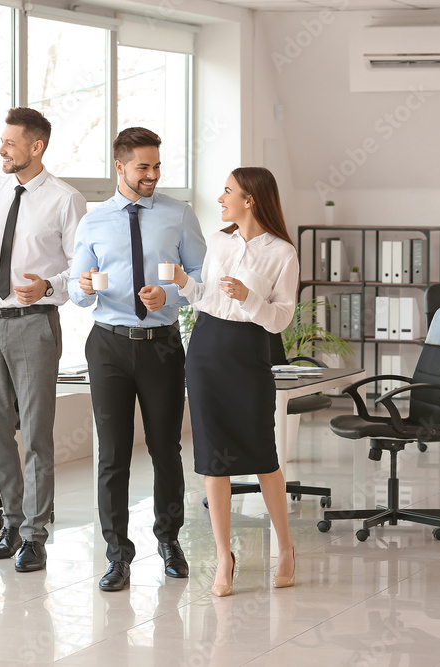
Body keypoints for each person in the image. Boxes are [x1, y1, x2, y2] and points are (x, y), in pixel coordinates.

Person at [0, 107, 86, 572]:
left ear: (36, 147)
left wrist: (48, 287)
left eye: (10, 143)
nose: (1, 149)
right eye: (2, 142)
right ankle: (10, 522)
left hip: (34, 323)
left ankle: (35, 535)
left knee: (37, 435)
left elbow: (79, 270)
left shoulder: (66, 200)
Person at [69, 127, 206, 592]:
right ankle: (117, 554)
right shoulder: (93, 222)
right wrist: (83, 287)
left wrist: (167, 291)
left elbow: (201, 277)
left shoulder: (178, 214)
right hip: (107, 343)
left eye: (156, 166)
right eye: (143, 167)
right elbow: (74, 287)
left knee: (166, 448)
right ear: (120, 167)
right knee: (112, 454)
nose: (152, 175)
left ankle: (169, 541)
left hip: (162, 343)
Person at [167, 167, 298, 597]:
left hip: (249, 352)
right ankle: (224, 557)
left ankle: (286, 548)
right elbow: (205, 297)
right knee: (211, 457)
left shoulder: (282, 253)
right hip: (206, 348)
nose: (221, 198)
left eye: (228, 192)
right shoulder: (219, 241)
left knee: (263, 454)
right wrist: (185, 283)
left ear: (251, 200)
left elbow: (281, 320)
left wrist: (250, 298)